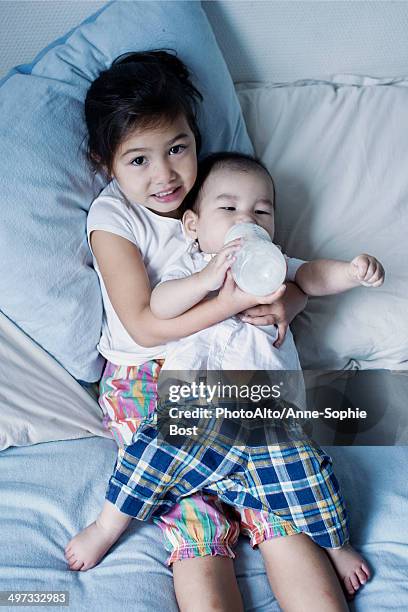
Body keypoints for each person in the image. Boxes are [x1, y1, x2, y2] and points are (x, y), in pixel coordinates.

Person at [63, 50, 333, 612]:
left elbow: (285, 273)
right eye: (137, 159)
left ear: (195, 139)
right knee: (193, 510)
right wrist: (230, 301)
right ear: (104, 161)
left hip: (233, 368)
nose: (164, 174)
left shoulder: (224, 191)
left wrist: (289, 303)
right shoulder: (114, 218)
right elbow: (143, 321)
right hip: (147, 373)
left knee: (276, 502)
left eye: (177, 149)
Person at [121, 152, 383, 602]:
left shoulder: (275, 267)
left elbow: (314, 276)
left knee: (307, 478)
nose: (248, 220)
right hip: (197, 412)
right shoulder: (192, 268)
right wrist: (207, 278)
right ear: (193, 226)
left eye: (261, 211)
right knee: (148, 459)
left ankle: (334, 542)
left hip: (267, 414)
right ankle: (111, 523)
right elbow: (161, 305)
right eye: (229, 209)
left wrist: (350, 271)